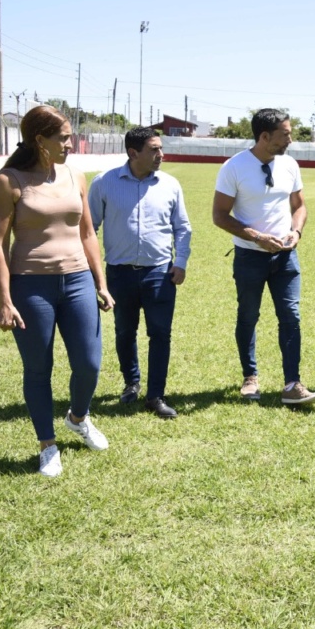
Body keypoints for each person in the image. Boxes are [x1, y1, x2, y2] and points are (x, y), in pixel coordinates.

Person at [0, 105, 114, 477]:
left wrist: (100, 283)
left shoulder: (77, 175)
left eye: (70, 136)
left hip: (77, 281)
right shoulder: (9, 181)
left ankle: (78, 417)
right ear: (39, 140)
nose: (70, 143)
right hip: (31, 285)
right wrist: (4, 300)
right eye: (63, 137)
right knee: (39, 369)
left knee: (89, 364)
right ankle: (47, 444)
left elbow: (88, 232)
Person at [212, 108, 315, 406]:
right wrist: (258, 237)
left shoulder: (290, 165)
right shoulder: (233, 168)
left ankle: (292, 384)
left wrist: (295, 233)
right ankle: (250, 377)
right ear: (264, 136)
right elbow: (220, 216)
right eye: (285, 134)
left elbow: (299, 206)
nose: (290, 139)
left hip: (286, 258)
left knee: (291, 316)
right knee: (248, 315)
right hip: (250, 257)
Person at [88, 127, 192, 420]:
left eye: (161, 148)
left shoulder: (170, 185)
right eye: (154, 150)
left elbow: (182, 227)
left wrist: (180, 261)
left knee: (160, 333)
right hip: (119, 274)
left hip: (160, 274)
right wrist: (94, 276)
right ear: (133, 153)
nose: (161, 154)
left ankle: (156, 395)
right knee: (124, 331)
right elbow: (88, 230)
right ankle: (131, 383)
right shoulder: (104, 183)